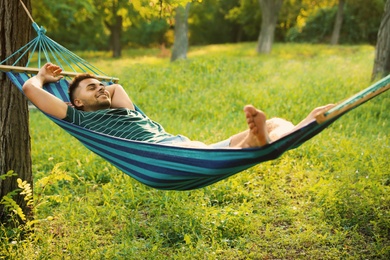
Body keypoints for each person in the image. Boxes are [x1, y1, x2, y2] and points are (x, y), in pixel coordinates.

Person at [23, 63, 334, 149]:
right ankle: (255, 141)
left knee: (278, 122)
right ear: (77, 101)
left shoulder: (124, 109)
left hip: (185, 146)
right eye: (92, 89)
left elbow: (114, 86)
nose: (102, 88)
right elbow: (28, 89)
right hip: (166, 155)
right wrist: (41, 76)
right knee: (260, 136)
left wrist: (95, 83)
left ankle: (296, 126)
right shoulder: (80, 118)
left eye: (99, 85)